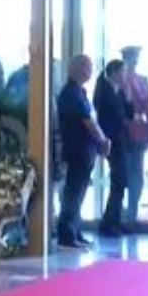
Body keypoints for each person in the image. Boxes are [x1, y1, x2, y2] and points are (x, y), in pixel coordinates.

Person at [56, 54, 110, 249]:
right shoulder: (70, 94)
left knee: (79, 194)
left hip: (86, 150)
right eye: (87, 67)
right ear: (75, 69)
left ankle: (75, 231)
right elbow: (87, 121)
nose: (90, 71)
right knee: (73, 193)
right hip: (76, 151)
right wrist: (102, 139)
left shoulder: (81, 92)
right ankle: (66, 235)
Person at [93, 59, 134, 236]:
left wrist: (128, 95)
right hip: (111, 141)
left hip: (120, 140)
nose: (126, 76)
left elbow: (129, 115)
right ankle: (108, 223)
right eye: (123, 72)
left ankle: (115, 220)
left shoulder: (119, 91)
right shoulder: (104, 90)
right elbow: (117, 116)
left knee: (121, 181)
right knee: (119, 180)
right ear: (115, 73)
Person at [121, 46, 148, 227]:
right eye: (130, 58)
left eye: (135, 58)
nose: (134, 61)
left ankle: (131, 213)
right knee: (123, 176)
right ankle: (123, 214)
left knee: (137, 178)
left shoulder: (143, 80)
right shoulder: (118, 80)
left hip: (139, 134)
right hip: (123, 133)